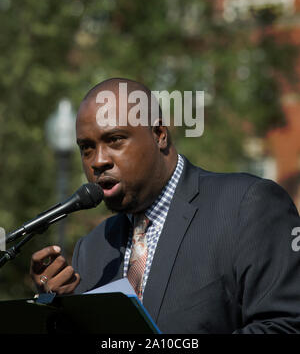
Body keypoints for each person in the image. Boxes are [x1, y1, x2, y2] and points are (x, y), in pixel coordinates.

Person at [30, 78, 300, 334]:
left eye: (115, 140)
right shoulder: (93, 249)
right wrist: (59, 313)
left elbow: (285, 324)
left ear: (159, 135)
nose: (98, 161)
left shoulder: (247, 205)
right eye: (86, 148)